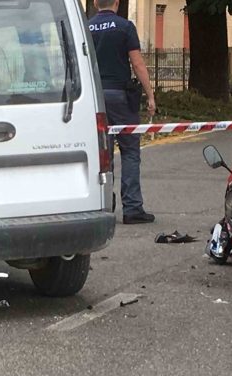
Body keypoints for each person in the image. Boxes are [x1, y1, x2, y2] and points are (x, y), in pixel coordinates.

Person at [89, 0, 156, 224]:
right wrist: (150, 95)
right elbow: (137, 63)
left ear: (95, 3)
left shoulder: (86, 27)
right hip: (121, 96)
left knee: (103, 154)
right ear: (117, 3)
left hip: (96, 98)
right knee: (130, 151)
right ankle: (132, 208)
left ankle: (104, 205)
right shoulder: (125, 27)